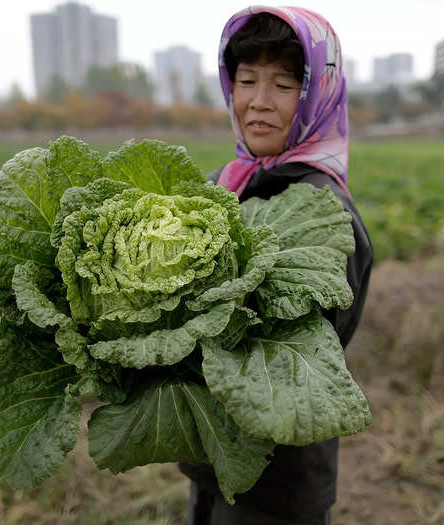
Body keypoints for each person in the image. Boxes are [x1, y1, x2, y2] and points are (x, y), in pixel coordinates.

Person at [178, 6, 373, 525]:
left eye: (284, 85)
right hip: (209, 454)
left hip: (277, 480)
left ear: (316, 96)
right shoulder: (226, 182)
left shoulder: (323, 209)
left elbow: (299, 355)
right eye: (246, 80)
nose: (258, 103)